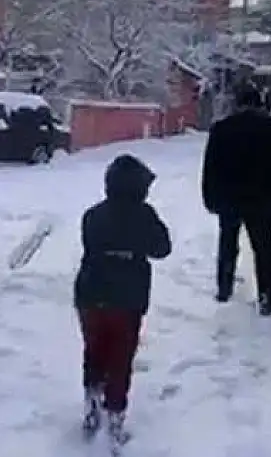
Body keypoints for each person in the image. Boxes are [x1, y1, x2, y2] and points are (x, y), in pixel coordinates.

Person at [74, 154, 172, 447]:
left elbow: (90, 244)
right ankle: (115, 413)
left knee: (94, 348)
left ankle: (92, 397)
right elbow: (162, 249)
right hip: (126, 299)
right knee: (120, 357)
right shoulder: (144, 216)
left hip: (90, 294)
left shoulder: (92, 214)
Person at [201, 84, 271, 315]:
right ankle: (266, 297)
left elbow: (210, 167)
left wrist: (210, 198)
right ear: (259, 102)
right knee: (263, 249)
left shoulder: (221, 129)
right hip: (262, 198)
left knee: (228, 244)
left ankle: (224, 289)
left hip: (229, 197)